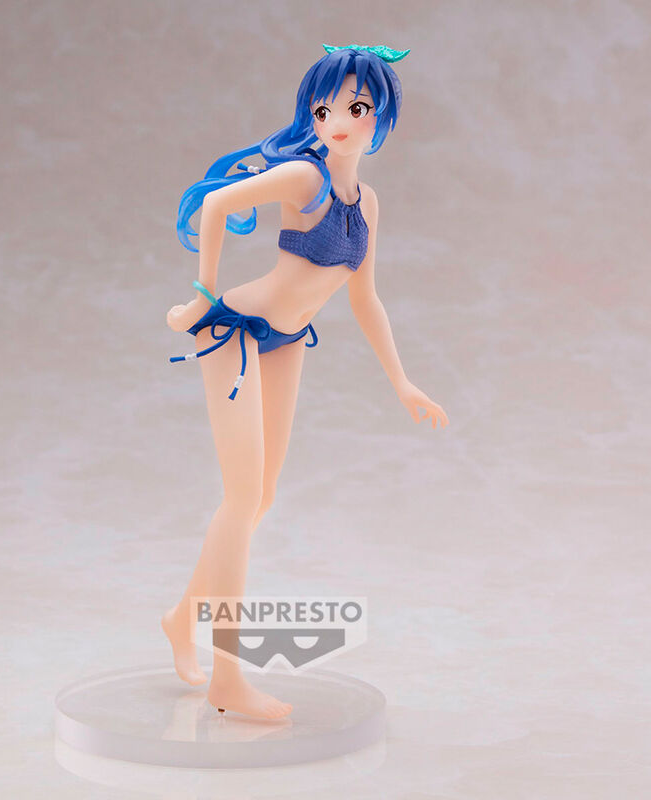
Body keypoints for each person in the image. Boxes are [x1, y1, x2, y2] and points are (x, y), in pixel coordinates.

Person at [161, 43, 449, 720]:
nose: (338, 123)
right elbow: (216, 206)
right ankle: (227, 678)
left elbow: (365, 299)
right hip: (234, 329)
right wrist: (202, 295)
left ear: (381, 114)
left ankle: (181, 618)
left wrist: (402, 381)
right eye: (324, 111)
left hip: (288, 340)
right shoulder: (303, 179)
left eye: (357, 107)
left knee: (261, 498)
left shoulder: (366, 202)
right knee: (240, 499)